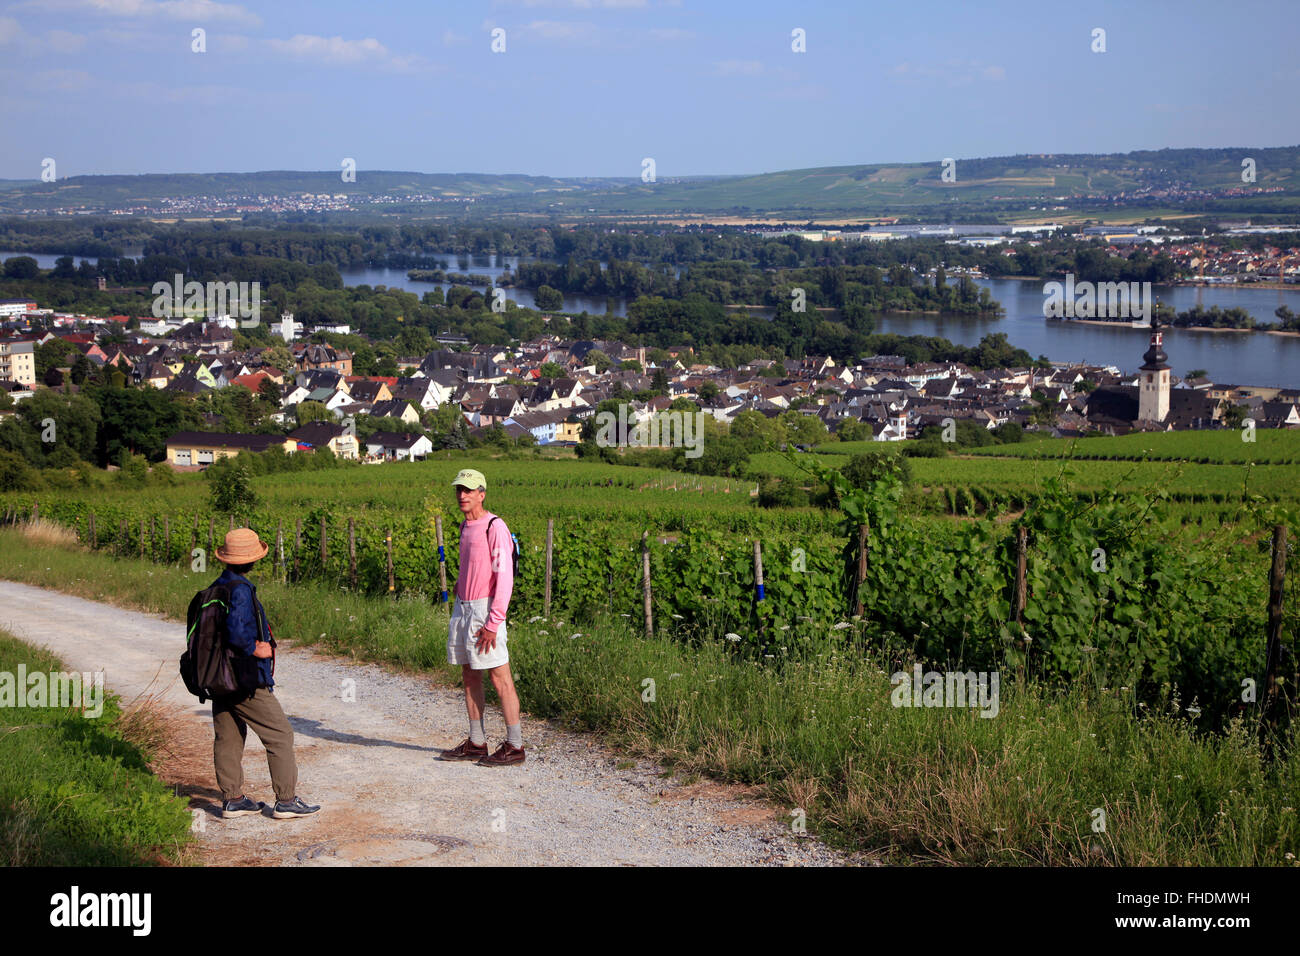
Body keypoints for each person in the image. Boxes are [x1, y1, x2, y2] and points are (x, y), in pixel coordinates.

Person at [209, 528, 321, 819]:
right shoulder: (241, 590)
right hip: (243, 678)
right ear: (253, 559)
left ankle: (232, 799)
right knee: (280, 734)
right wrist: (256, 648)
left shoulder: (217, 587)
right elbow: (236, 632)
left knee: (229, 737)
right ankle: (286, 801)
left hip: (218, 677)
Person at [441, 469, 525, 766]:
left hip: (485, 610)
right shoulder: (466, 527)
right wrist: (460, 586)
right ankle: (477, 742)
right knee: (468, 674)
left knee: (499, 676)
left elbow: (505, 578)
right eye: (459, 490)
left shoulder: (494, 527)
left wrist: (493, 621)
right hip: (464, 607)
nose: (462, 495)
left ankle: (515, 746)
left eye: (469, 490)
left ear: (482, 493)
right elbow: (473, 568)